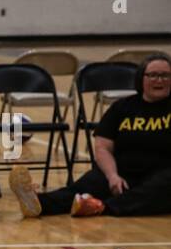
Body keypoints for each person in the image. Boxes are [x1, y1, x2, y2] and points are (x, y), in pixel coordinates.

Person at [10, 52, 171, 218]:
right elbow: (102, 147)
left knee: (161, 187)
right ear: (141, 79)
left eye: (165, 75)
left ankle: (100, 206)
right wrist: (112, 176)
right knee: (87, 185)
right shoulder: (122, 108)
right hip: (121, 171)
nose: (159, 80)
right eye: (153, 75)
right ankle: (38, 202)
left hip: (161, 173)